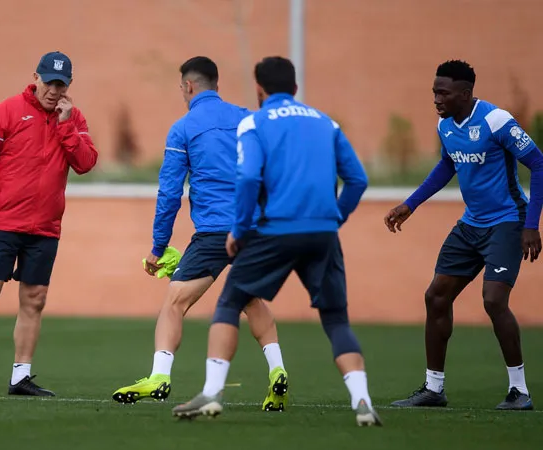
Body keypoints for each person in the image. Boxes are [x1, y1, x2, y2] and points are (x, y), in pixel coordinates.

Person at [171, 56, 381, 427]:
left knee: (229, 302)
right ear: (296, 88)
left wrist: (238, 228)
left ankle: (212, 393)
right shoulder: (326, 122)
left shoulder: (255, 121)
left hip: (276, 231)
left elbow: (249, 178)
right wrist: (336, 216)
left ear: (259, 89)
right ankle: (362, 401)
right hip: (322, 232)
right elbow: (358, 179)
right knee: (335, 318)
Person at [111, 56, 289, 412]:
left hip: (211, 234)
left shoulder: (183, 128)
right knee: (250, 299)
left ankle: (160, 376)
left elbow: (169, 193)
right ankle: (277, 370)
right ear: (216, 84)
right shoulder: (247, 119)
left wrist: (158, 247)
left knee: (175, 303)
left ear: (188, 87)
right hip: (251, 229)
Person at [0, 51, 98, 397]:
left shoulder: (73, 118)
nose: (54, 90)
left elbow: (85, 162)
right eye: (49, 82)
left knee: (35, 298)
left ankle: (20, 377)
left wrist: (67, 124)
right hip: (3, 221)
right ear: (36, 77)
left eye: (61, 84)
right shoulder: (7, 111)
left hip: (44, 227)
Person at [386, 60, 541, 411]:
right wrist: (410, 204)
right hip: (471, 225)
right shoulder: (445, 125)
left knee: (493, 300)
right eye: (434, 92)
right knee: (436, 296)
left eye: (443, 92)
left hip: (507, 221)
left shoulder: (495, 120)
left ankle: (520, 392)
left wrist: (531, 224)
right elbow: (447, 165)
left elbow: (539, 163)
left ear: (466, 93)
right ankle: (433, 389)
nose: (436, 99)